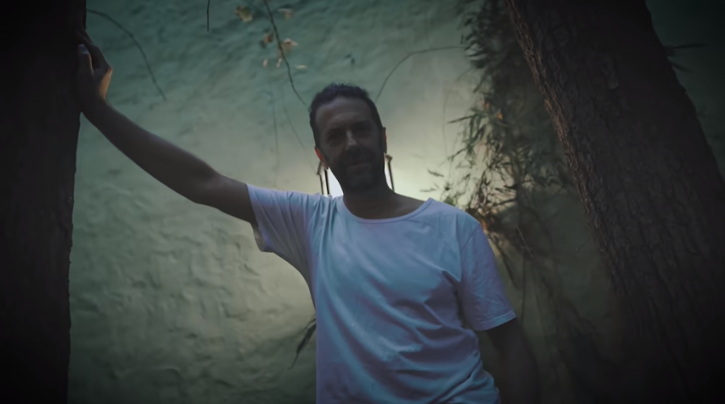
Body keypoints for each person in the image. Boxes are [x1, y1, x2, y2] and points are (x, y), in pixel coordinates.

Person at [75, 29, 541, 404]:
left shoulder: (453, 227)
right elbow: (202, 183)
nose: (351, 143)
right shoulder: (310, 222)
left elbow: (509, 341)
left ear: (382, 138)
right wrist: (96, 109)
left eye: (361, 130)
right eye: (336, 137)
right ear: (321, 155)